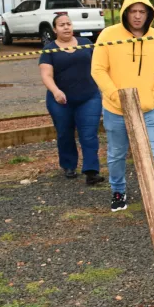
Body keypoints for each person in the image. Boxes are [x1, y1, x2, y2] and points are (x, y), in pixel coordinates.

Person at [91, 0, 154, 222]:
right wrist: (114, 95)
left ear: (149, 14)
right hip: (116, 109)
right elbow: (98, 69)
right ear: (125, 12)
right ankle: (118, 192)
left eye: (142, 11)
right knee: (117, 154)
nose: (137, 16)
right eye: (133, 11)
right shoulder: (108, 35)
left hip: (148, 110)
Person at [38, 14, 105, 185]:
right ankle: (69, 165)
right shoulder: (49, 50)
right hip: (60, 101)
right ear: (55, 29)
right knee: (65, 134)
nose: (66, 27)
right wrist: (56, 91)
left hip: (89, 98)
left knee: (89, 135)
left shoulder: (86, 43)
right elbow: (46, 75)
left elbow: (100, 65)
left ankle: (91, 171)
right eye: (61, 25)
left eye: (68, 24)